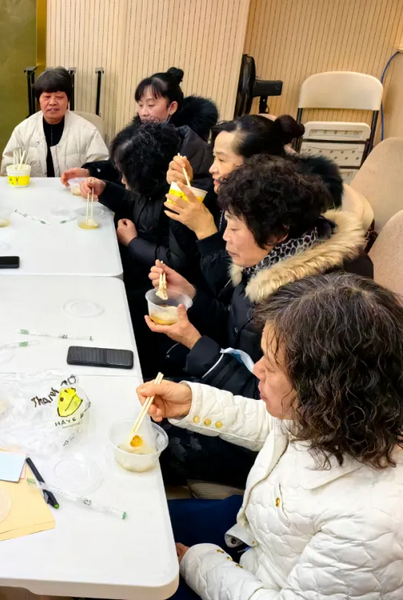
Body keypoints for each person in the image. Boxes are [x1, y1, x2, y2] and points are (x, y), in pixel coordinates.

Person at [139, 273, 403, 599]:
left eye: (273, 366)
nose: (256, 369)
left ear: (323, 390)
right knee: (136, 525)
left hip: (259, 578)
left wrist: (197, 561)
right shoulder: (344, 415)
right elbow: (274, 427)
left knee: (132, 572)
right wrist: (192, 403)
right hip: (258, 531)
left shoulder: (370, 528)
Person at [147, 156, 372, 487]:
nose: (225, 238)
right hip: (237, 393)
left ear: (279, 232)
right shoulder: (271, 261)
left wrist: (195, 343)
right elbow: (236, 325)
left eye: (235, 229)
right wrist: (190, 294)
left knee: (152, 440)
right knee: (146, 393)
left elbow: (274, 401)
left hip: (273, 437)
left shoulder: (316, 304)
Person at [164, 114, 342, 298]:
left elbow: (232, 293)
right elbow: (188, 258)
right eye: (213, 157)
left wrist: (206, 230)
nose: (211, 168)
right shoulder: (225, 193)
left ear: (255, 165)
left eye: (222, 160)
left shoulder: (277, 214)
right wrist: (184, 189)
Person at [80, 123, 201, 284]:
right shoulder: (154, 181)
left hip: (154, 283)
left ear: (145, 171)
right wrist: (105, 189)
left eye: (125, 174)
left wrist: (132, 242)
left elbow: (178, 263)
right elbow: (136, 203)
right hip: (137, 265)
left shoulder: (181, 194)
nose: (123, 180)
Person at [62, 67, 218, 189]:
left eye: (150, 105)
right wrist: (90, 171)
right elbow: (120, 165)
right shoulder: (142, 133)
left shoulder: (189, 144)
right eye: (140, 105)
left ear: (172, 107)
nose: (143, 112)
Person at [1, 67, 108, 178]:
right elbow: (7, 169)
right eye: (47, 97)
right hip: (32, 193)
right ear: (39, 100)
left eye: (59, 97)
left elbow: (102, 167)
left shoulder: (88, 131)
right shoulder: (22, 131)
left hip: (74, 192)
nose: (52, 102)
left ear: (68, 100)